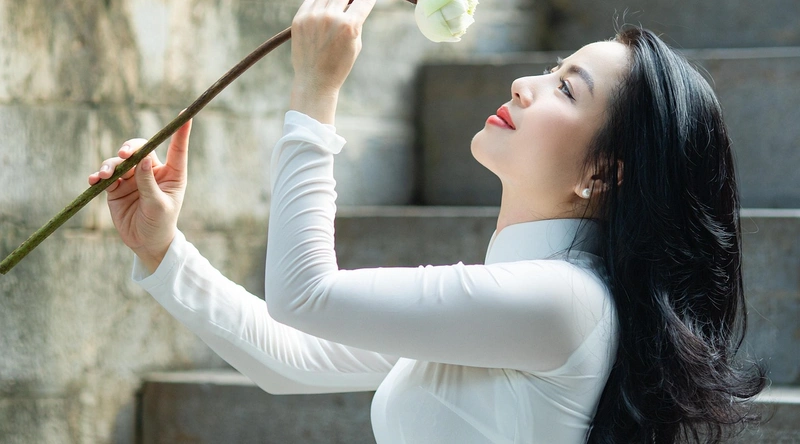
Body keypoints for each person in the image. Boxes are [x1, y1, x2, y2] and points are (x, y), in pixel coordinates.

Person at [88, 0, 765, 441]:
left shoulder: (566, 303)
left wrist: (315, 92)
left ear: (605, 172)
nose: (524, 85)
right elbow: (289, 356)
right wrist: (162, 250)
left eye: (565, 89)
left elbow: (305, 296)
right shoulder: (531, 296)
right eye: (551, 68)